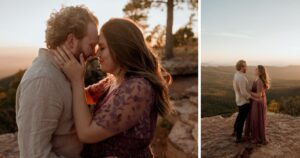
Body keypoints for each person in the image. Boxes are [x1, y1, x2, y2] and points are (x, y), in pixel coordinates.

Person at [53, 18, 173, 158]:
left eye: (102, 48)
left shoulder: (137, 88)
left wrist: (77, 80)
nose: (97, 54)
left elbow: (87, 134)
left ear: (121, 48)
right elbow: (82, 97)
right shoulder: (113, 81)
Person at [15, 5, 99, 157]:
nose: (94, 54)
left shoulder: (68, 73)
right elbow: (34, 154)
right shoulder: (44, 81)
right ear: (72, 41)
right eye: (92, 45)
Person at [245, 65, 270, 145]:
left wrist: (249, 92)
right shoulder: (257, 79)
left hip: (258, 102)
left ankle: (257, 138)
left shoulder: (259, 81)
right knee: (256, 118)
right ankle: (257, 136)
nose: (254, 70)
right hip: (257, 101)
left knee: (255, 119)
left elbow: (259, 95)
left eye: (256, 69)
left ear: (259, 71)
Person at [232, 60, 251, 143]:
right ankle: (238, 137)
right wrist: (251, 98)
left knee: (240, 116)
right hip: (243, 101)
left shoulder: (236, 75)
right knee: (242, 119)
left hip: (238, 99)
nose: (246, 67)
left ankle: (235, 131)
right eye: (245, 66)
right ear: (241, 67)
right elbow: (243, 92)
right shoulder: (241, 77)